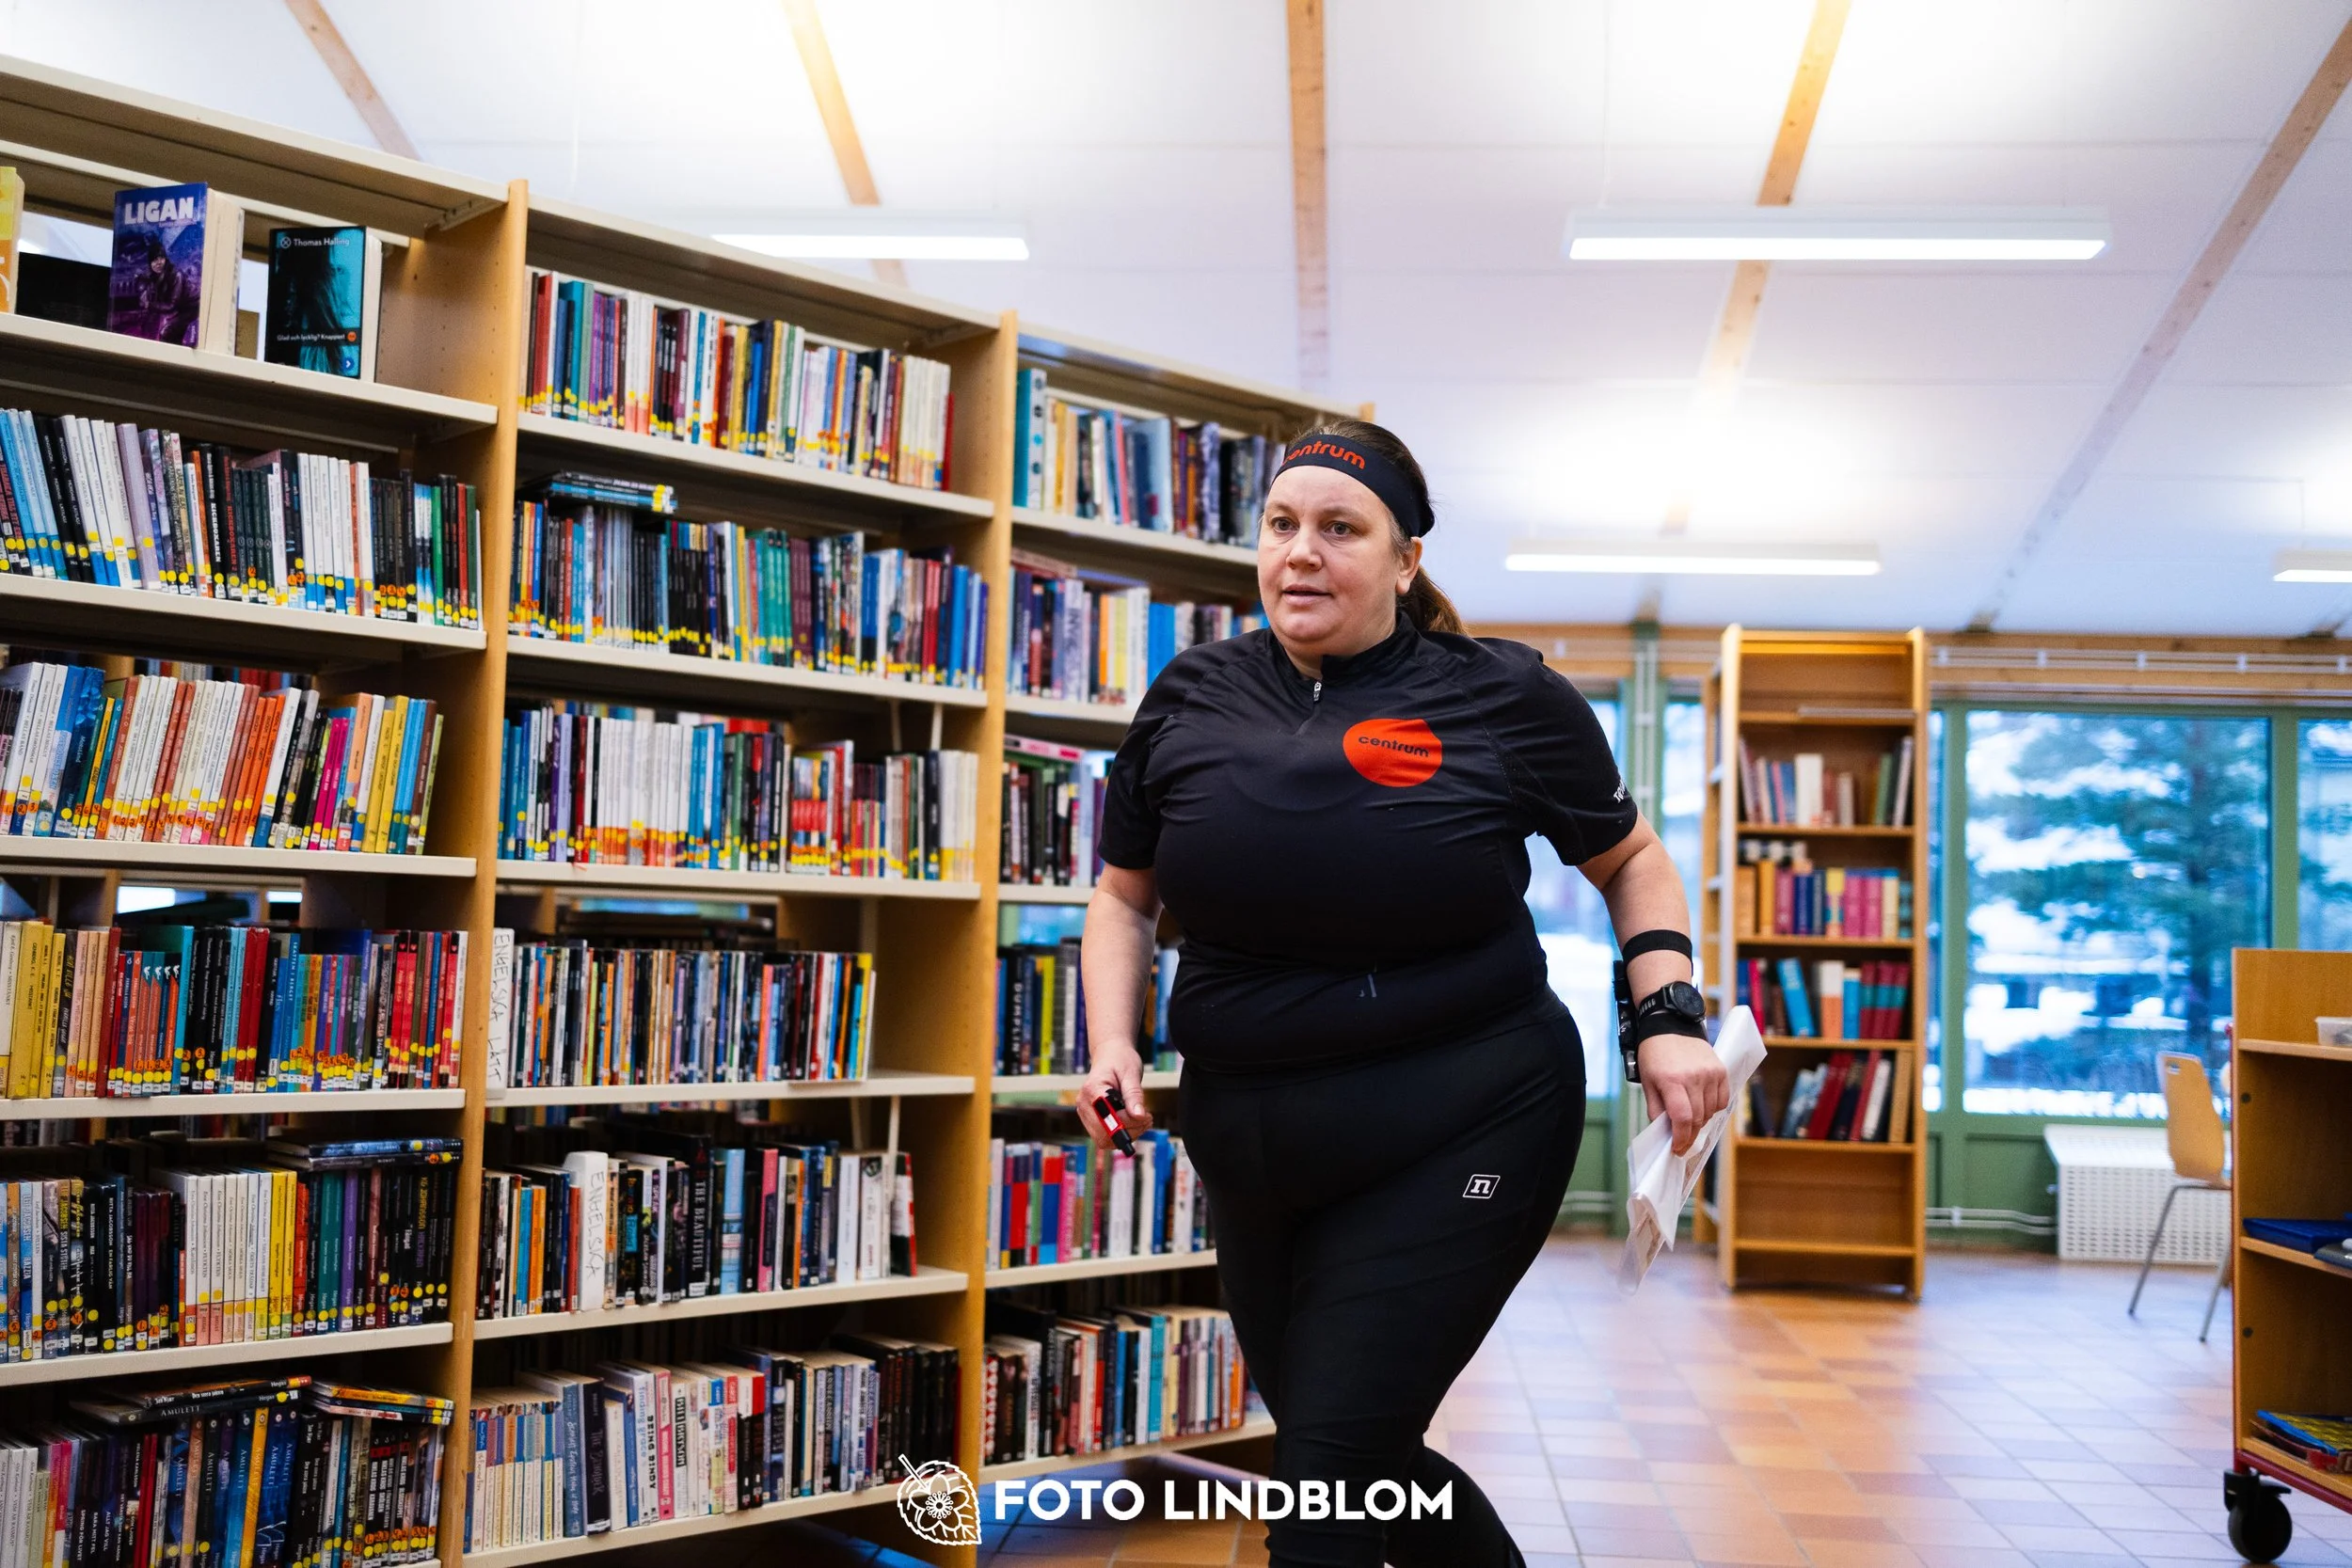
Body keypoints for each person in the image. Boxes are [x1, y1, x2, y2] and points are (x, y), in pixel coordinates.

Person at [1075, 419, 1728, 1568]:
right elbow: (1124, 896)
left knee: (1322, 1483)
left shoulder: (1501, 696)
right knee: (1359, 1456)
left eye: (1340, 528)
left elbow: (1633, 860)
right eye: (1282, 525)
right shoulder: (1191, 693)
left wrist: (1666, 1018)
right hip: (1252, 1131)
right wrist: (1111, 1040)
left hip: (1461, 1112)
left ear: (1405, 558)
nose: (1301, 553)